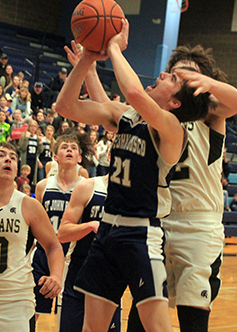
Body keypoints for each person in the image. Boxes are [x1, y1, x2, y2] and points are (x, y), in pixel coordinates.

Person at [56, 20, 210, 332]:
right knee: (91, 328)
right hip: (107, 233)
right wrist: (87, 58)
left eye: (174, 78)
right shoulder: (126, 116)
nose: (164, 73)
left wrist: (113, 46)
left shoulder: (172, 129)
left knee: (157, 329)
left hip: (140, 235)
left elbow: (135, 93)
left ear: (175, 102)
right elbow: (65, 106)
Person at [126, 44, 237, 332]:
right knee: (143, 308)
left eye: (191, 74)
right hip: (161, 219)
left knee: (192, 315)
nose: (183, 78)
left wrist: (209, 83)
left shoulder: (211, 112)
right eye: (176, 74)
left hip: (199, 224)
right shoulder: (160, 112)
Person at [0, 141, 64, 332]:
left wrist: (56, 276)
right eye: (2, 155)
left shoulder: (28, 205)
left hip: (15, 301)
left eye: (13, 157)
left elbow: (53, 246)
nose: (8, 160)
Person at [32, 133, 90, 327]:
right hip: (45, 254)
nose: (69, 150)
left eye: (73, 148)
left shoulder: (86, 187)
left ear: (80, 158)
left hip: (73, 255)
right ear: (55, 157)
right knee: (35, 310)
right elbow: (35, 223)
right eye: (64, 147)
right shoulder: (42, 186)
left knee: (71, 315)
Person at [57, 175, 121, 332]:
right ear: (110, 156)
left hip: (110, 274)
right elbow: (63, 233)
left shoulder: (131, 193)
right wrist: (90, 226)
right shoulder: (88, 186)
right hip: (79, 269)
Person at [19, 120, 43, 187]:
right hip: (26, 159)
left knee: (32, 178)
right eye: (31, 126)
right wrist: (26, 138)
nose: (33, 128)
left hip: (34, 160)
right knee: (24, 177)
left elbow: (40, 150)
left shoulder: (37, 137)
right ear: (29, 127)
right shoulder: (24, 136)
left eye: (35, 126)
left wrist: (41, 142)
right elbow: (22, 147)